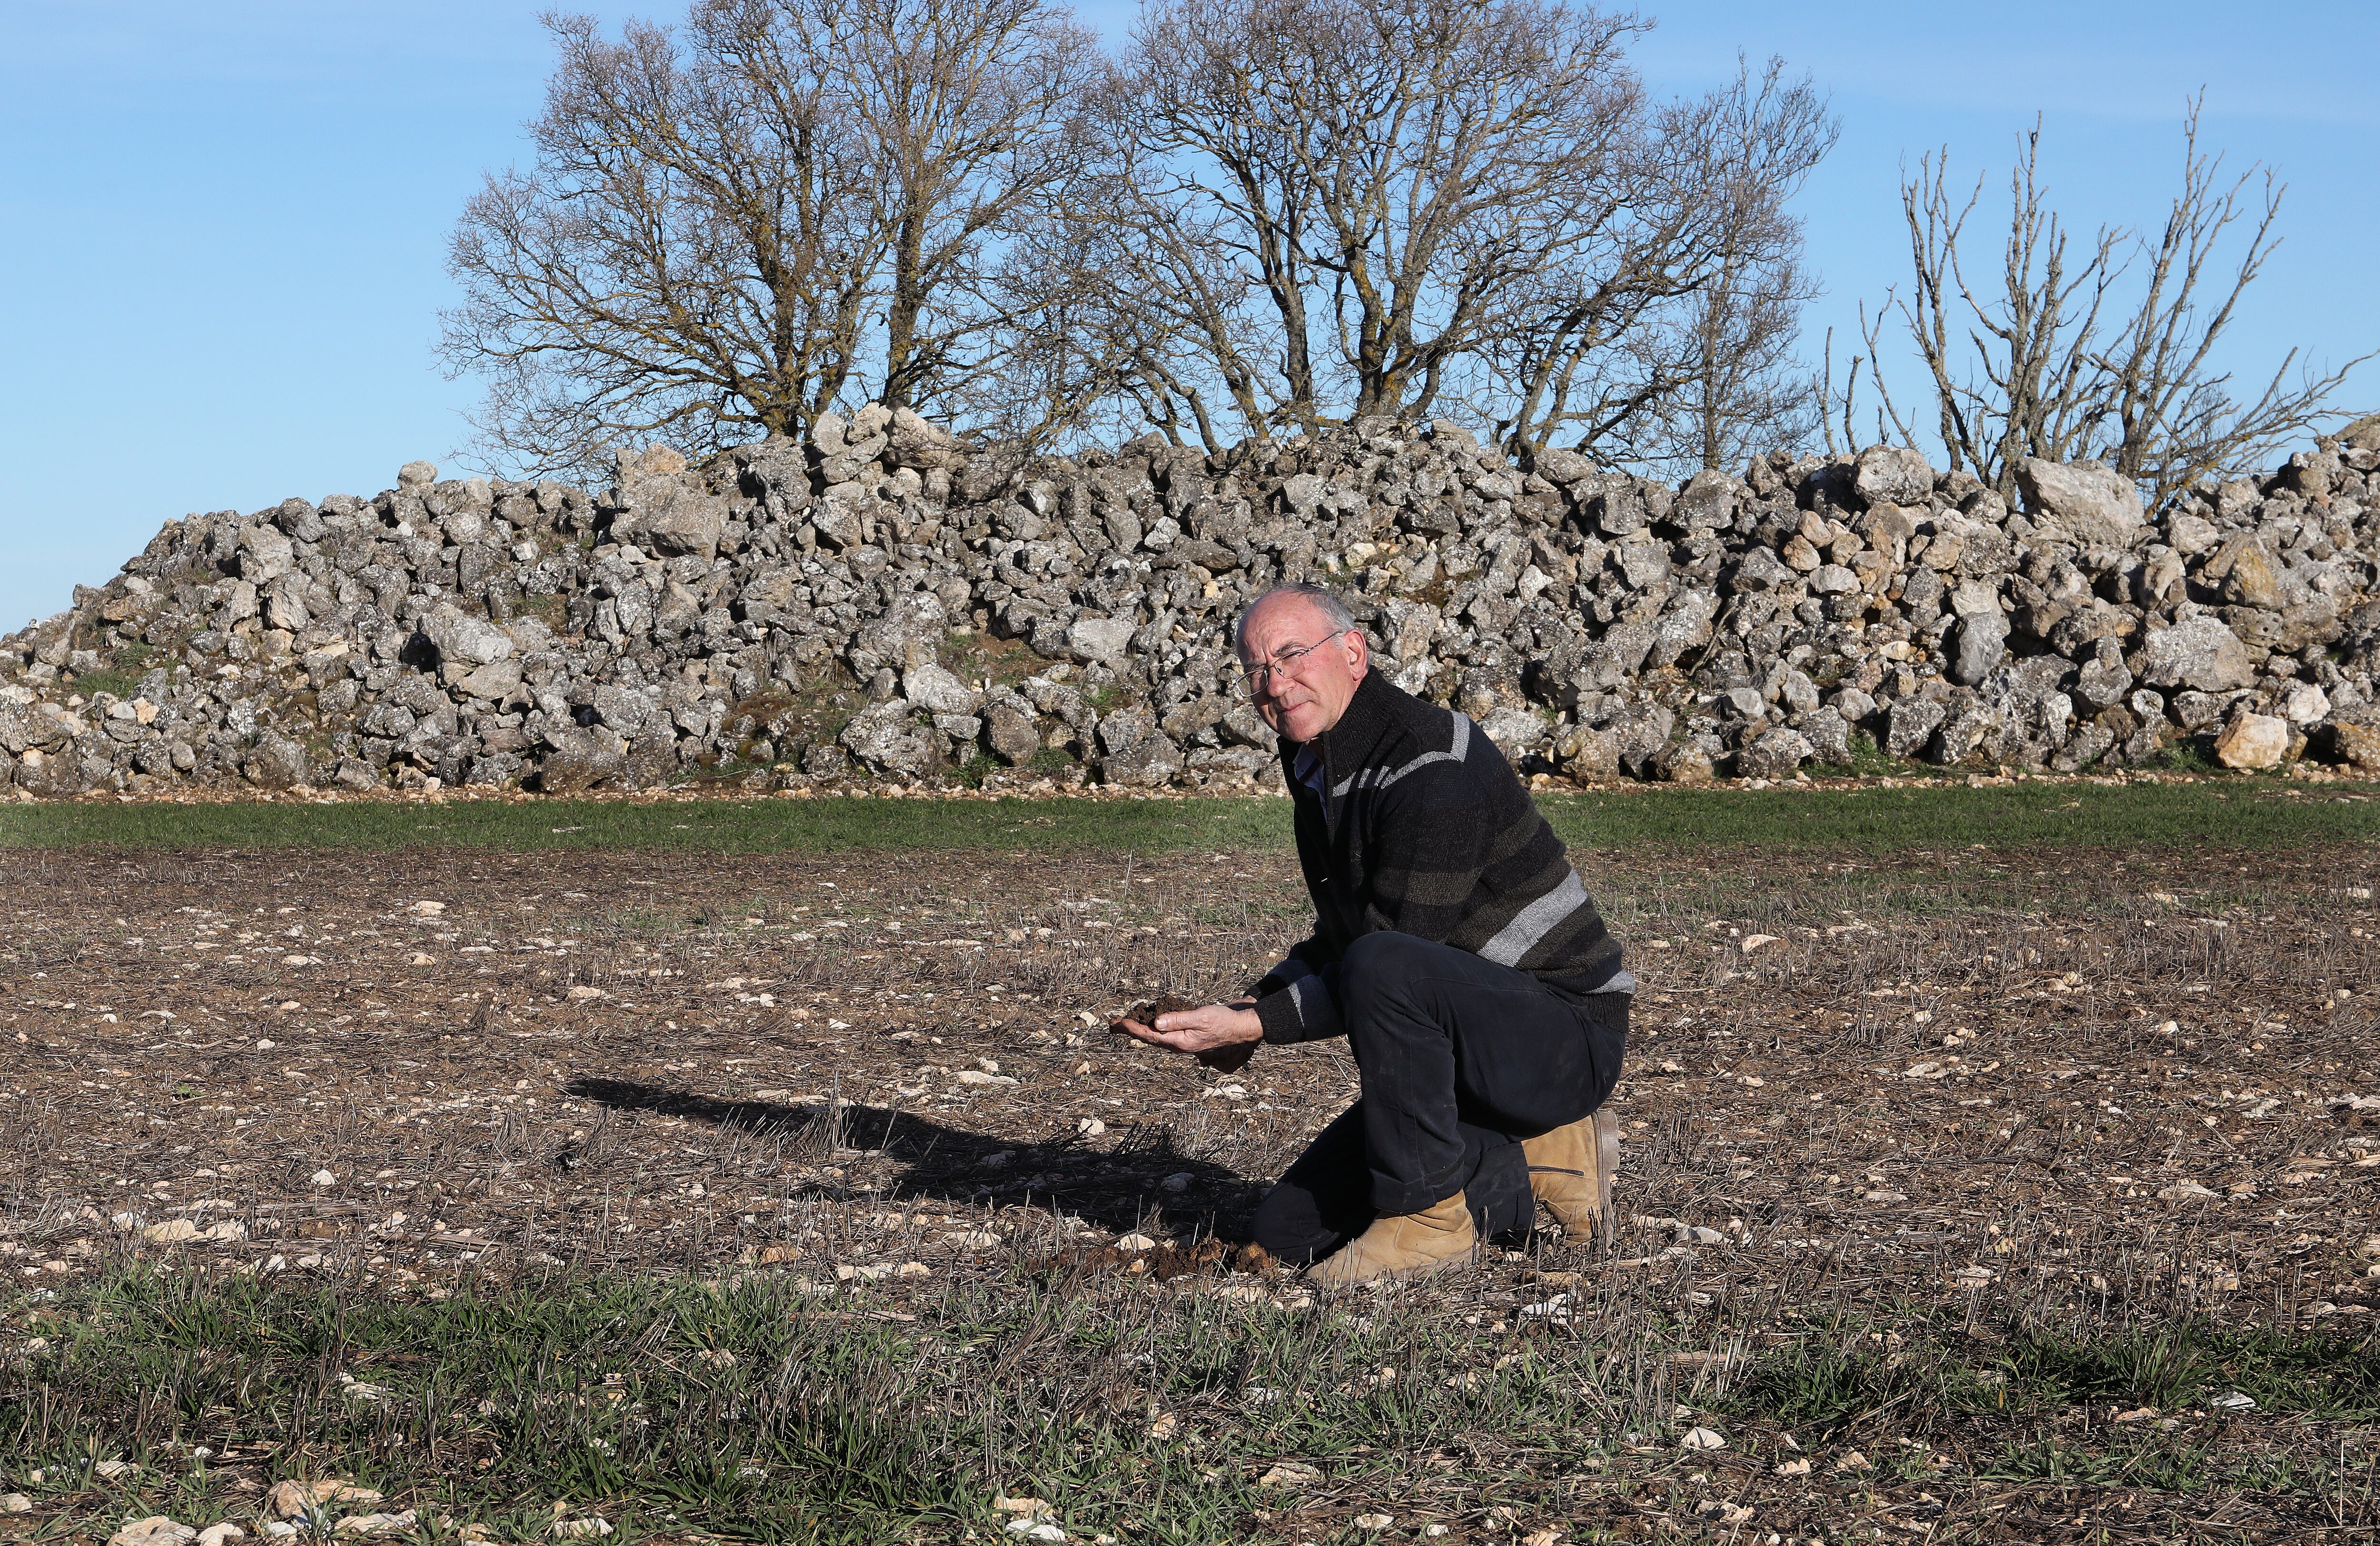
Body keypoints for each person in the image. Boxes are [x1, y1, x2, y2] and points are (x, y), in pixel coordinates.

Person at [1116, 583, 1630, 1285]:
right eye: (1257, 669)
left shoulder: (1427, 761)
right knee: (1285, 1234)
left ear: (1353, 652)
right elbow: (1348, 939)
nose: (1276, 682)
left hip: (1562, 1034)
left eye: (1292, 655)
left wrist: (1259, 1028)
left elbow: (1391, 959)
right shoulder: (1320, 763)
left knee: (1387, 964)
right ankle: (1542, 1151)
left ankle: (1427, 1220)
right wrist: (1242, 1013)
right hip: (1466, 1048)